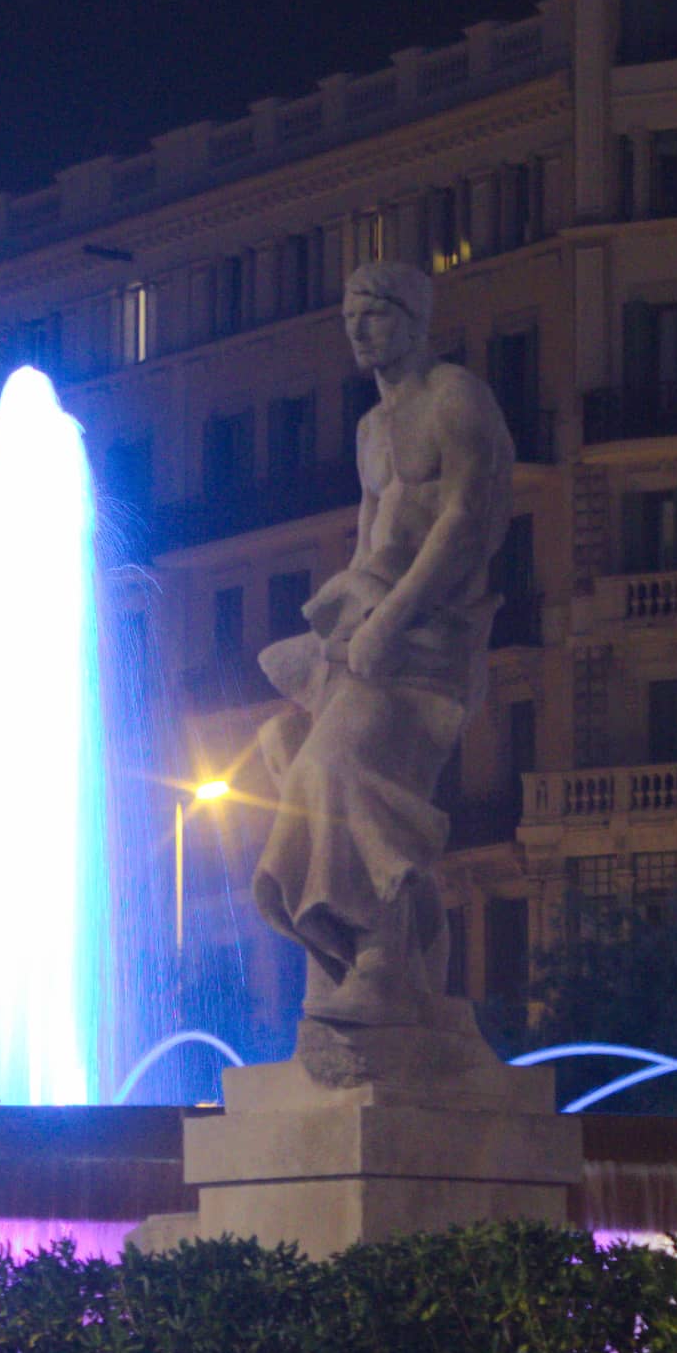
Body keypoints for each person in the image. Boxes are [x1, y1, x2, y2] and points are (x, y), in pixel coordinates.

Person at [244, 258, 515, 1056]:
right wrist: (341, 624)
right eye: (349, 315)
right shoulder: (369, 430)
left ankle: (381, 956)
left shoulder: (454, 397)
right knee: (285, 757)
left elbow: (466, 520)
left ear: (413, 316)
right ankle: (360, 949)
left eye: (374, 312)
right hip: (370, 634)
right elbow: (372, 542)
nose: (359, 328)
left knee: (330, 768)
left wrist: (390, 620)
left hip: (431, 645)